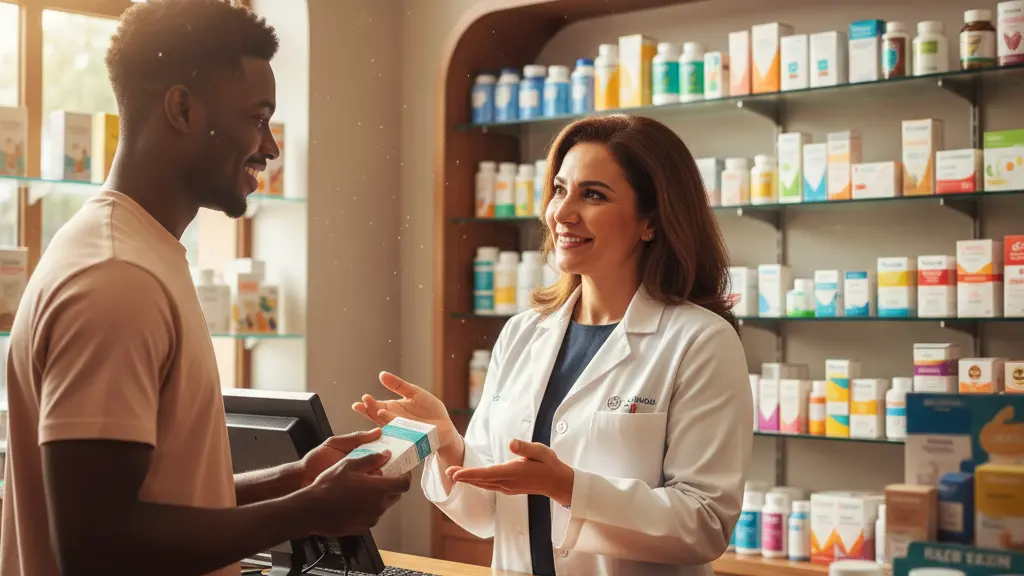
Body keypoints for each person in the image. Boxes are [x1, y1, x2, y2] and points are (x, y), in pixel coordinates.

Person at [0, 2, 410, 575]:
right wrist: (306, 511)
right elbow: (98, 546)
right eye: (257, 117)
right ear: (182, 109)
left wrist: (293, 480)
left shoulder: (133, 252)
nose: (269, 147)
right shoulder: (118, 280)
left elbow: (147, 505)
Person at [354, 114, 753, 575]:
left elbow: (705, 524)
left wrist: (568, 488)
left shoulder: (700, 342)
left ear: (651, 221)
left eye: (593, 195)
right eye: (560, 190)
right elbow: (485, 516)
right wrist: (447, 443)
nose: (561, 213)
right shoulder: (524, 333)